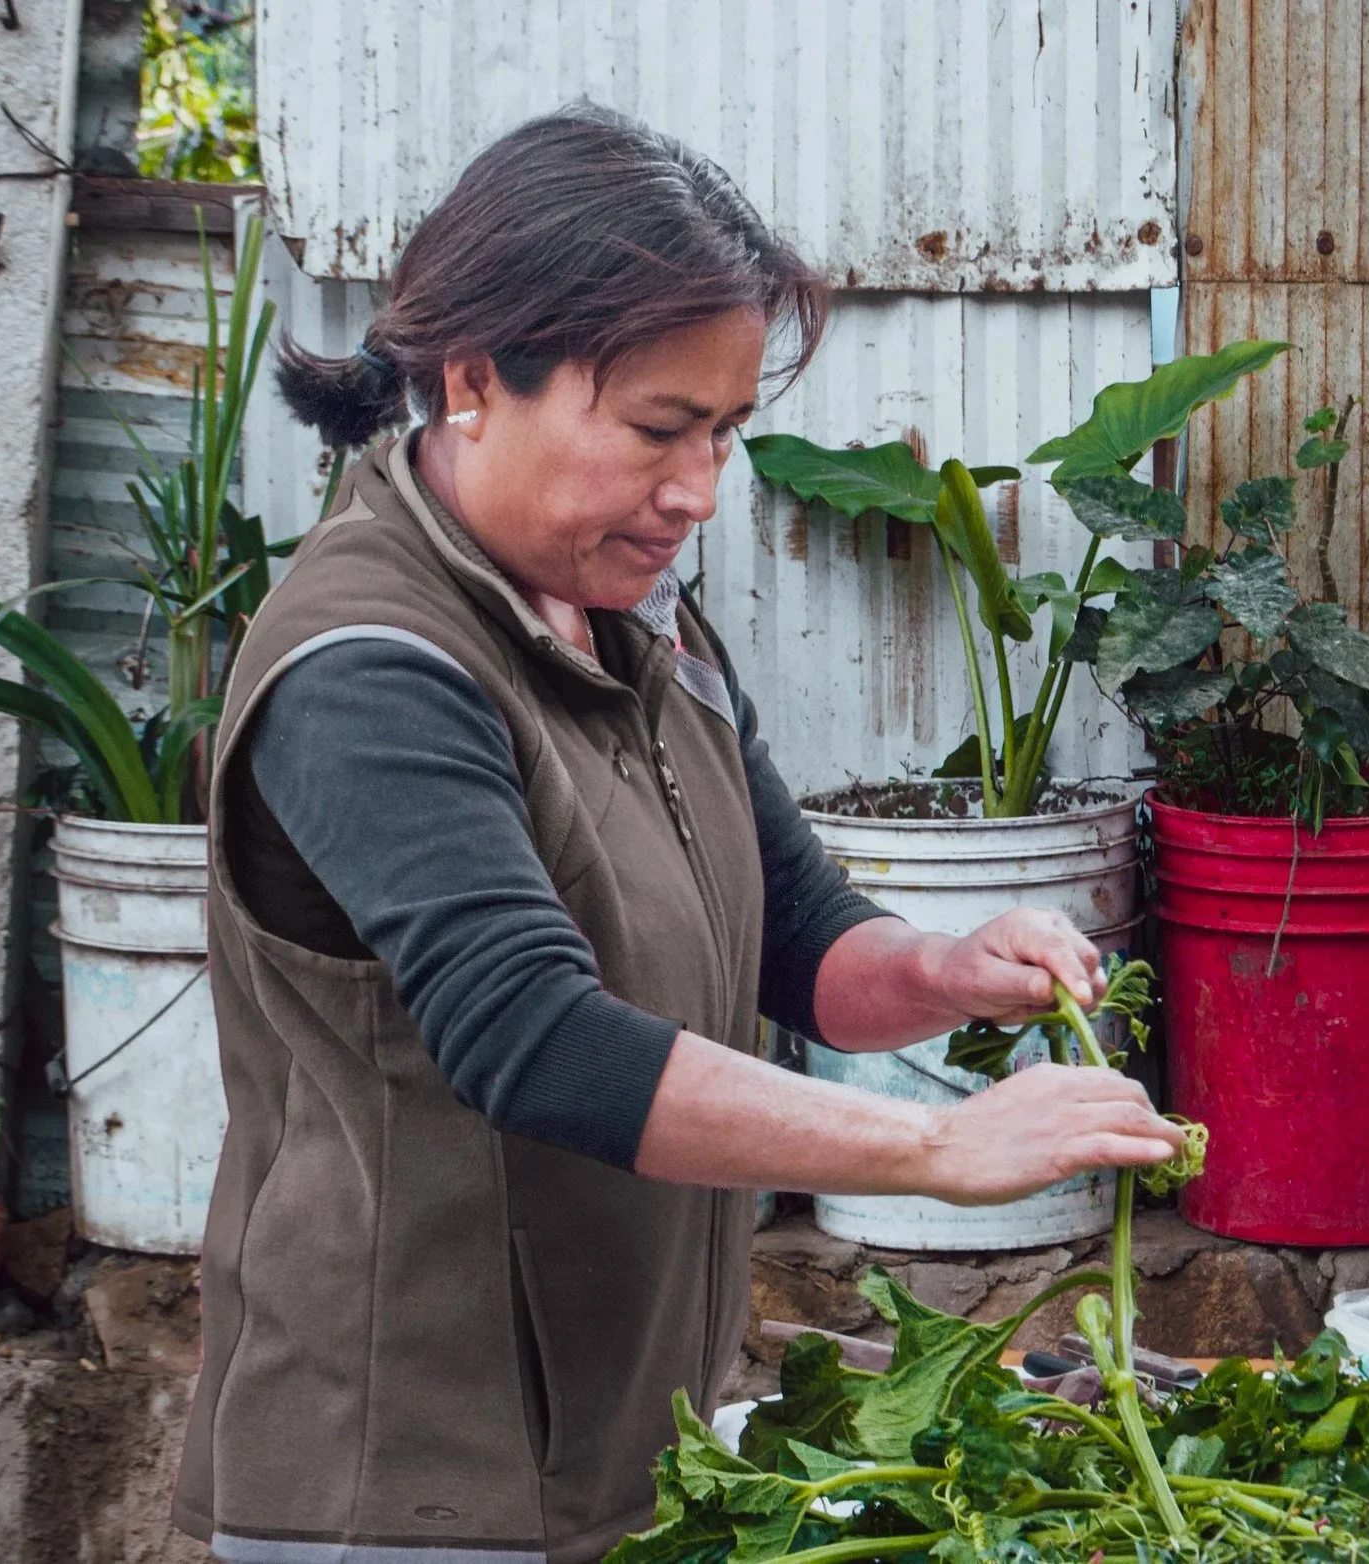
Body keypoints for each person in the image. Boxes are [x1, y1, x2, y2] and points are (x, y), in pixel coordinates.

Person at [172, 104, 1186, 1564]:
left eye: (722, 432)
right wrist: (936, 1144)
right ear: (472, 379)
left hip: (622, 1447)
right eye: (658, 430)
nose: (698, 492)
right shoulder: (369, 667)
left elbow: (801, 937)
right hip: (411, 1485)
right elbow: (534, 1040)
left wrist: (946, 971)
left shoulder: (634, 617)